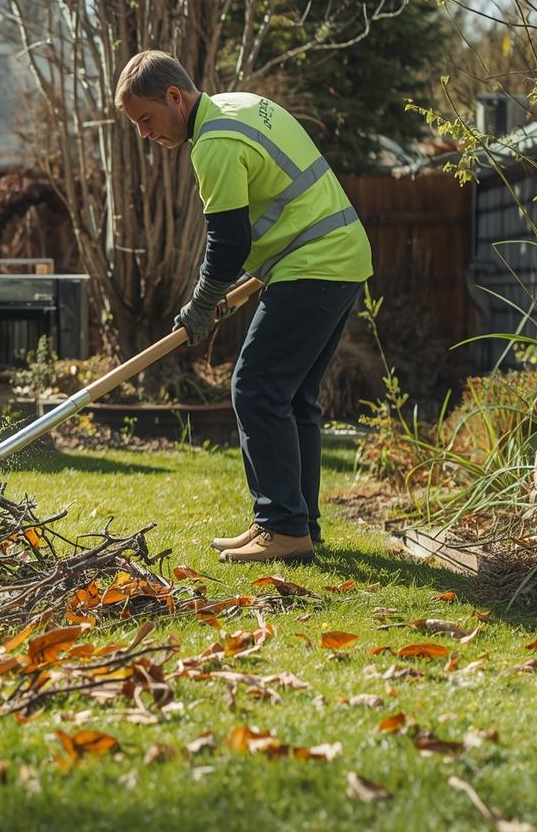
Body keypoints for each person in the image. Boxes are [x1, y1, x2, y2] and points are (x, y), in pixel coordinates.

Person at [114, 50, 372, 563]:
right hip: (339, 258)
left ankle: (281, 526)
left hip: (314, 265)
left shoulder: (214, 142)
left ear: (173, 96)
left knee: (255, 388)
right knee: (293, 397)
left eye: (145, 119)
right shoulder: (241, 105)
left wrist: (201, 306)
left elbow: (227, 242)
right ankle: (295, 523)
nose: (144, 134)